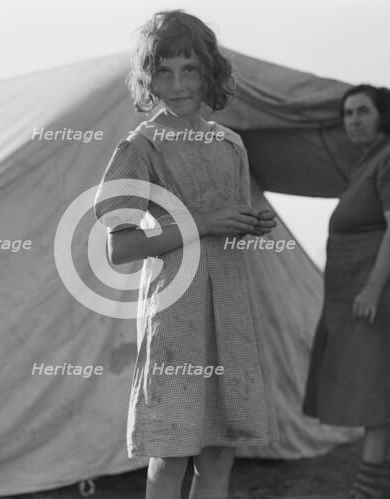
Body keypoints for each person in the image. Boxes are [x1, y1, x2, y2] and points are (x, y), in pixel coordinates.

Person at [94, 10, 279, 499]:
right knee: (172, 449)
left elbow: (227, 222)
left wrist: (250, 225)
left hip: (231, 310)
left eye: (189, 69)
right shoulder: (142, 145)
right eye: (164, 71)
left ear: (209, 72)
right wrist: (202, 223)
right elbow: (121, 248)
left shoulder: (230, 143)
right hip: (176, 310)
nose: (177, 84)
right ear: (148, 78)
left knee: (219, 451)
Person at [302, 84, 390, 499]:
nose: (352, 120)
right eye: (348, 113)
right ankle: (387, 487)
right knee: (377, 388)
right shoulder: (367, 163)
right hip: (359, 294)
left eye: (362, 112)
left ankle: (367, 490)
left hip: (385, 296)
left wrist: (373, 289)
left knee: (380, 391)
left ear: (382, 116)